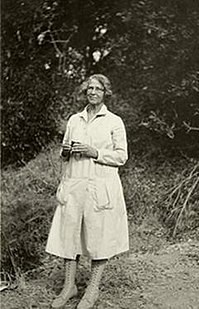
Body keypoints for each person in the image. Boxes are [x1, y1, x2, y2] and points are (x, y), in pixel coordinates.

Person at [46, 74, 129, 309]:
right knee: (68, 236)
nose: (92, 92)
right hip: (74, 183)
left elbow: (122, 156)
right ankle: (69, 287)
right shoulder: (75, 119)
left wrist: (96, 152)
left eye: (98, 89)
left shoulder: (114, 121)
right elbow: (64, 153)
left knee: (98, 237)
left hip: (100, 186)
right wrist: (64, 152)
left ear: (105, 93)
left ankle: (92, 289)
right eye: (89, 88)